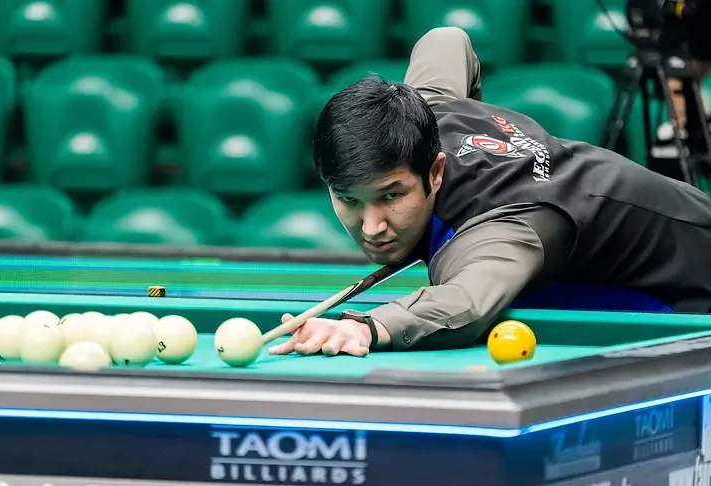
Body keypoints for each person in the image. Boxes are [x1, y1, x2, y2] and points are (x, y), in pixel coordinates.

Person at [268, 27, 711, 358]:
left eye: (390, 196)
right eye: (348, 199)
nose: (371, 227)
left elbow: (466, 301)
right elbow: (446, 41)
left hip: (691, 292)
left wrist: (366, 327)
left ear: (436, 172)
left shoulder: (499, 232)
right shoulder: (429, 110)